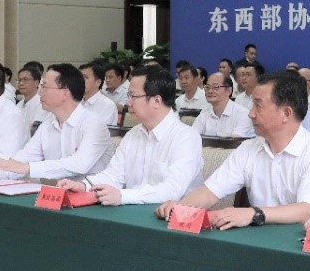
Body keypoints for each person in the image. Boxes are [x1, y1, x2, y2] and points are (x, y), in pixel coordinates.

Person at [157, 72, 310, 229]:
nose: (250, 113)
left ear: (286, 113)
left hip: (304, 242)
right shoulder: (249, 148)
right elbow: (211, 191)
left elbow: (306, 210)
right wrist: (181, 207)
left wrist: (253, 213)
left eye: (258, 105)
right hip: (259, 237)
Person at [58, 67, 203, 205]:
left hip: (173, 217)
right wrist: (83, 185)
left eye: (133, 96)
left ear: (156, 101)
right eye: (129, 96)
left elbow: (172, 190)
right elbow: (113, 175)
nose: (128, 103)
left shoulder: (186, 137)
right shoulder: (134, 134)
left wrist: (122, 195)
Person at [0, 64, 112, 181]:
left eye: (44, 86)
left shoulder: (94, 124)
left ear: (65, 93)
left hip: (92, 195)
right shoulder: (47, 124)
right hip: (56, 193)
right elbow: (20, 161)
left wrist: (29, 168)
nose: (39, 92)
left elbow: (80, 164)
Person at [193, 71, 254, 139]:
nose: (210, 91)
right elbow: (193, 136)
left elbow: (234, 142)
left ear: (228, 91)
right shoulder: (205, 112)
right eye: (207, 87)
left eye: (216, 87)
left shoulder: (243, 114)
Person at [79, 61, 119, 127]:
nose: (80, 80)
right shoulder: (76, 102)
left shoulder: (108, 106)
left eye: (86, 77)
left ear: (98, 82)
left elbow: (100, 130)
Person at [14, 63, 49, 132]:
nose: (21, 83)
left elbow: (35, 131)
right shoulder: (19, 105)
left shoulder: (42, 104)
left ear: (36, 83)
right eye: (19, 80)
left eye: (25, 80)